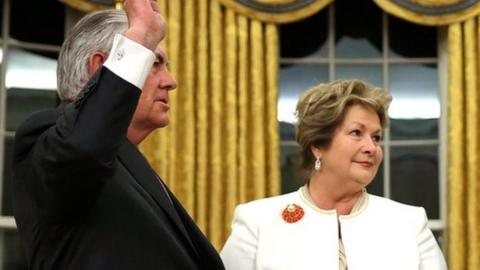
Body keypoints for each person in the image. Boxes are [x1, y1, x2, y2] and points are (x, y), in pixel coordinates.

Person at [12, 0, 225, 269]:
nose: (171, 81)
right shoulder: (46, 134)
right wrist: (141, 35)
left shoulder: (125, 162)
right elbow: (84, 147)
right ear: (101, 67)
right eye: (155, 62)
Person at [220, 79, 447, 270]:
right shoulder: (257, 221)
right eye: (357, 133)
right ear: (318, 144)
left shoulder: (409, 222)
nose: (371, 147)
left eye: (376, 137)